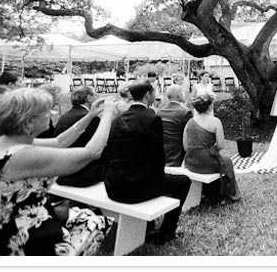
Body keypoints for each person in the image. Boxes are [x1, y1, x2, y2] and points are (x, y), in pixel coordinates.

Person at [0, 87, 118, 255]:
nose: (52, 114)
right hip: (23, 237)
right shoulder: (21, 156)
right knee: (96, 223)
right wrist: (107, 115)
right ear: (29, 121)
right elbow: (91, 153)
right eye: (47, 112)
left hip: (9, 223)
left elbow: (60, 141)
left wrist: (90, 116)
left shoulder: (8, 142)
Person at [103, 80, 191, 245]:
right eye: (154, 93)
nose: (156, 96)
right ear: (147, 95)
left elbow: (109, 153)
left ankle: (149, 225)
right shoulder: (151, 118)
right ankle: (167, 231)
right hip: (137, 188)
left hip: (113, 185)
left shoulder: (118, 119)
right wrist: (159, 177)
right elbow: (158, 156)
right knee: (183, 181)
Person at [183, 94, 240, 201]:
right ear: (209, 106)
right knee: (227, 162)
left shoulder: (189, 122)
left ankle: (208, 191)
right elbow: (221, 145)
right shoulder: (215, 121)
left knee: (224, 161)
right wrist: (212, 149)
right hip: (207, 161)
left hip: (191, 162)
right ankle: (228, 194)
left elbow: (186, 147)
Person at [53, 85, 107, 186]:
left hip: (63, 172)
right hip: (82, 174)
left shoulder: (64, 116)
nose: (98, 97)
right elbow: (100, 147)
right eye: (96, 94)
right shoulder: (91, 118)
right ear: (89, 98)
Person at [156, 85, 192, 167]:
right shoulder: (185, 112)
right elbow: (190, 135)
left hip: (162, 153)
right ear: (180, 95)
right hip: (178, 154)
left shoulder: (160, 112)